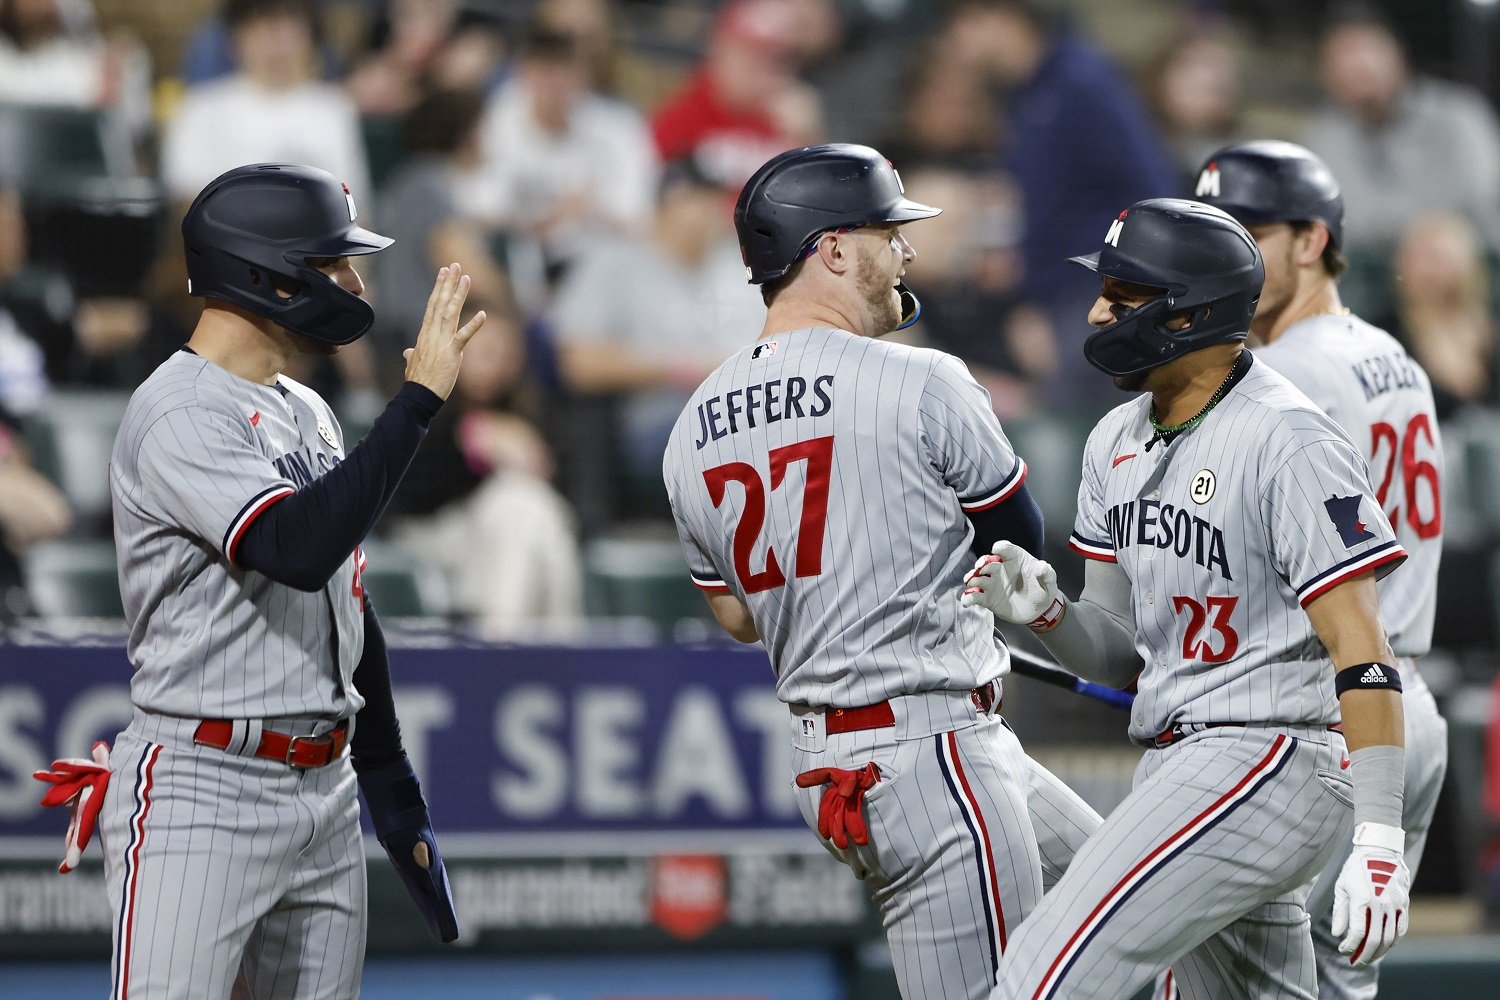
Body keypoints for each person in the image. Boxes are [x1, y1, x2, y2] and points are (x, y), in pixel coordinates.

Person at [662, 144, 1100, 1000]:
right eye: (887, 230)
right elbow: (1014, 536)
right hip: (933, 752)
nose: (905, 249)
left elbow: (739, 618)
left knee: (1137, 921)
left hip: (844, 763)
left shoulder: (690, 431)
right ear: (829, 249)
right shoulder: (921, 378)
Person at [963, 198, 1413, 999]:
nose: (1100, 312)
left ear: (1191, 315)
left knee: (1044, 973)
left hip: (1270, 755)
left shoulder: (1290, 440)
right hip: (1183, 758)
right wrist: (1048, 616)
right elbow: (1121, 657)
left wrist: (1380, 835)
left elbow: (1364, 651)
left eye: (1125, 298)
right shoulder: (1115, 439)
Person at [59, 163, 482, 998]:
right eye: (333, 265)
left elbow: (345, 602)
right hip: (204, 788)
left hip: (323, 790)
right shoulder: (179, 410)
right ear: (265, 273)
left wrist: (390, 780)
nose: (354, 285)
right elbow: (294, 547)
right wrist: (418, 403)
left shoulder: (306, 408)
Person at [1194, 139, 1447, 1000]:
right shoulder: (1389, 352)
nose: (1227, 254)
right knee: (1338, 988)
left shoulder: (1278, 372)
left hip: (1336, 717)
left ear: (1311, 240)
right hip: (1408, 711)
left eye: (1250, 233)